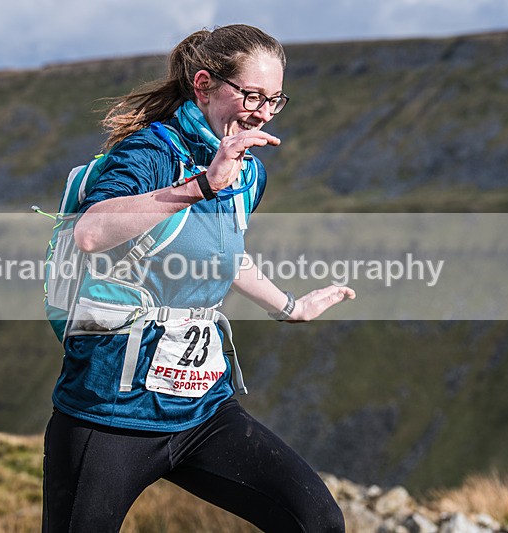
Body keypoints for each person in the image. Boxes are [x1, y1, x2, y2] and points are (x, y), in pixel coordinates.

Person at [42, 24, 356, 532]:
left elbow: (224, 257)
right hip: (109, 414)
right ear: (205, 85)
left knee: (316, 521)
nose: (263, 112)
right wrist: (203, 184)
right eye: (252, 95)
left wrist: (291, 307)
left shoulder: (247, 172)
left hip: (202, 408)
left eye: (275, 100)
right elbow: (91, 233)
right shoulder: (151, 153)